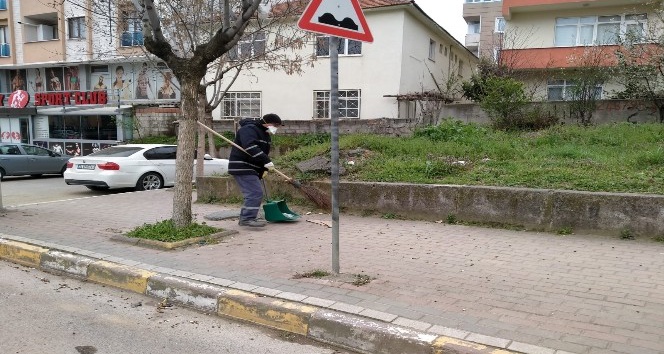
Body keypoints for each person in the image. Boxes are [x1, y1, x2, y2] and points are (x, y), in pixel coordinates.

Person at [228, 113, 282, 227]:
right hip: (242, 166)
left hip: (251, 167)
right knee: (255, 193)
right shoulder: (249, 129)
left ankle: (247, 217)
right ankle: (247, 218)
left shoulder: (265, 134)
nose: (276, 128)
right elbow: (250, 147)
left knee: (254, 193)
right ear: (267, 123)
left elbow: (260, 153)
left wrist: (263, 169)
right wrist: (266, 160)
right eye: (275, 125)